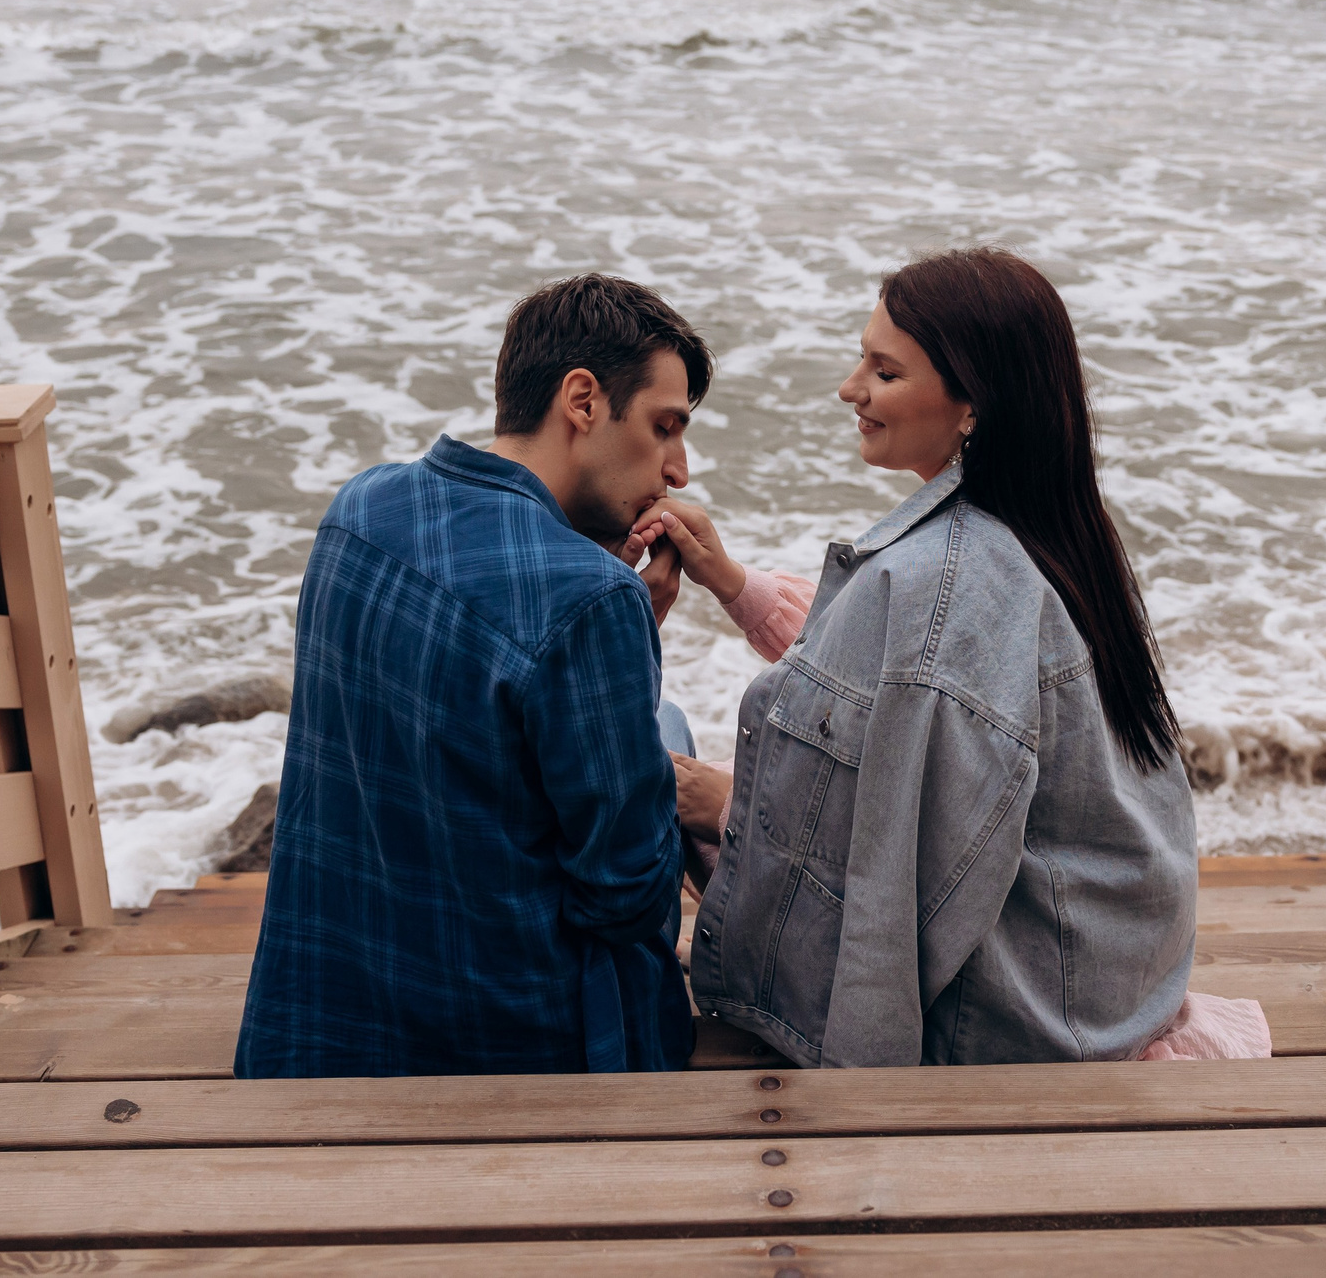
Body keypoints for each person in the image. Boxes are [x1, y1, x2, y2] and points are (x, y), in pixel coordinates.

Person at [637, 248, 1202, 1068]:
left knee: (664, 750)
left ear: (972, 400)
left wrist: (868, 1098)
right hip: (1108, 974)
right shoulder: (1041, 523)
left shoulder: (944, 581)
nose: (849, 387)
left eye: (884, 370)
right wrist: (734, 584)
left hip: (1013, 1020)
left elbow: (904, 881)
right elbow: (888, 687)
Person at [234, 274, 708, 1078]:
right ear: (583, 400)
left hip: (318, 1028)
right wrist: (630, 635)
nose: (679, 468)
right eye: (666, 427)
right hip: (516, 1051)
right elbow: (625, 894)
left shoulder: (358, 508)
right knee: (667, 731)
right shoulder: (592, 599)